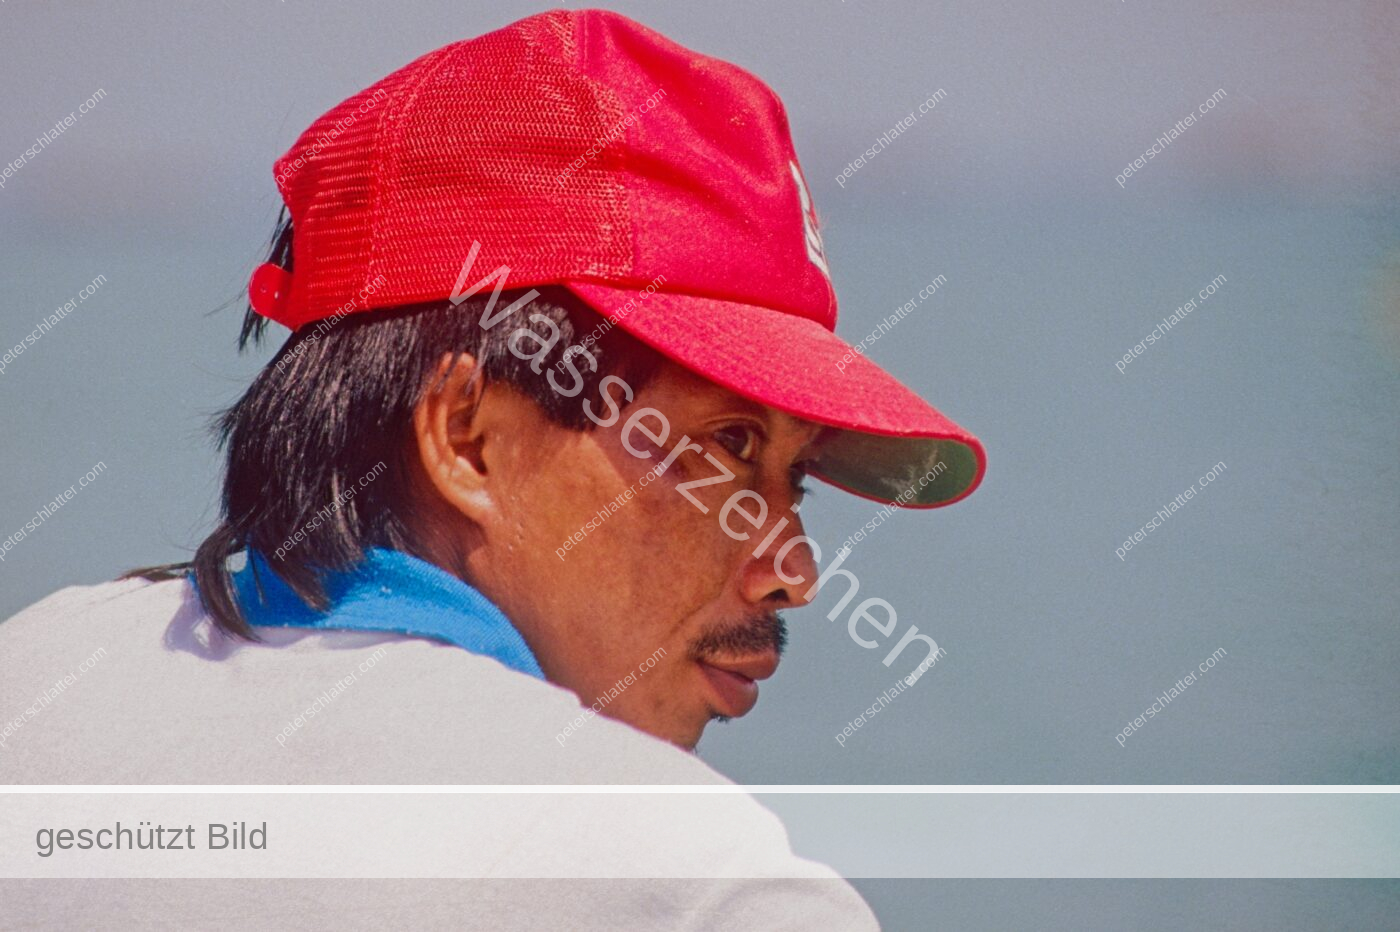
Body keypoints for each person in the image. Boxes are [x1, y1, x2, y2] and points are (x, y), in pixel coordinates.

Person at [0, 9, 984, 928]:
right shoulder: (688, 880)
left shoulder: (38, 673)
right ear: (466, 436)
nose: (792, 571)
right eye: (723, 450)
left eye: (794, 480)